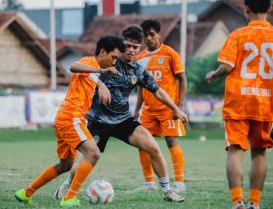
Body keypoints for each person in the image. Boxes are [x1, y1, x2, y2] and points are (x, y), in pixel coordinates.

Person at [54, 25, 188, 203]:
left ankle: (168, 191)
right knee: (86, 159)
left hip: (123, 119)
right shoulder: (108, 60)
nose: (131, 50)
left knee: (153, 147)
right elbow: (83, 70)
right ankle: (68, 184)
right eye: (128, 46)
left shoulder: (137, 70)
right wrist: (100, 84)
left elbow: (158, 91)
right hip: (98, 120)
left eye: (136, 47)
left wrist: (176, 108)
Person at [14, 36, 125, 207]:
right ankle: (69, 198)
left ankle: (25, 193)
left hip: (67, 118)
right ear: (103, 52)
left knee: (65, 165)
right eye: (114, 57)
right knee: (93, 154)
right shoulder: (90, 62)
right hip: (71, 117)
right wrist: (102, 73)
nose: (114, 62)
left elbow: (90, 78)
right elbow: (73, 67)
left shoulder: (94, 70)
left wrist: (101, 84)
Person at [205, 0, 273, 208]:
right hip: (265, 102)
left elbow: (226, 67)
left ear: (246, 8)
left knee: (235, 150)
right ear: (270, 8)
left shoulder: (237, 35)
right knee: (259, 152)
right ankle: (255, 202)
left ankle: (238, 202)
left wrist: (213, 74)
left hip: (238, 101)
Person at [134, 19, 187, 194]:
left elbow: (182, 79)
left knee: (171, 141)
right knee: (143, 144)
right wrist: (137, 109)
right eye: (145, 36)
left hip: (168, 109)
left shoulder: (170, 53)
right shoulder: (140, 58)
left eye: (151, 34)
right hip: (148, 110)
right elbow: (141, 87)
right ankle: (149, 183)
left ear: (159, 34)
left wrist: (179, 106)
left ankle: (179, 182)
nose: (148, 38)